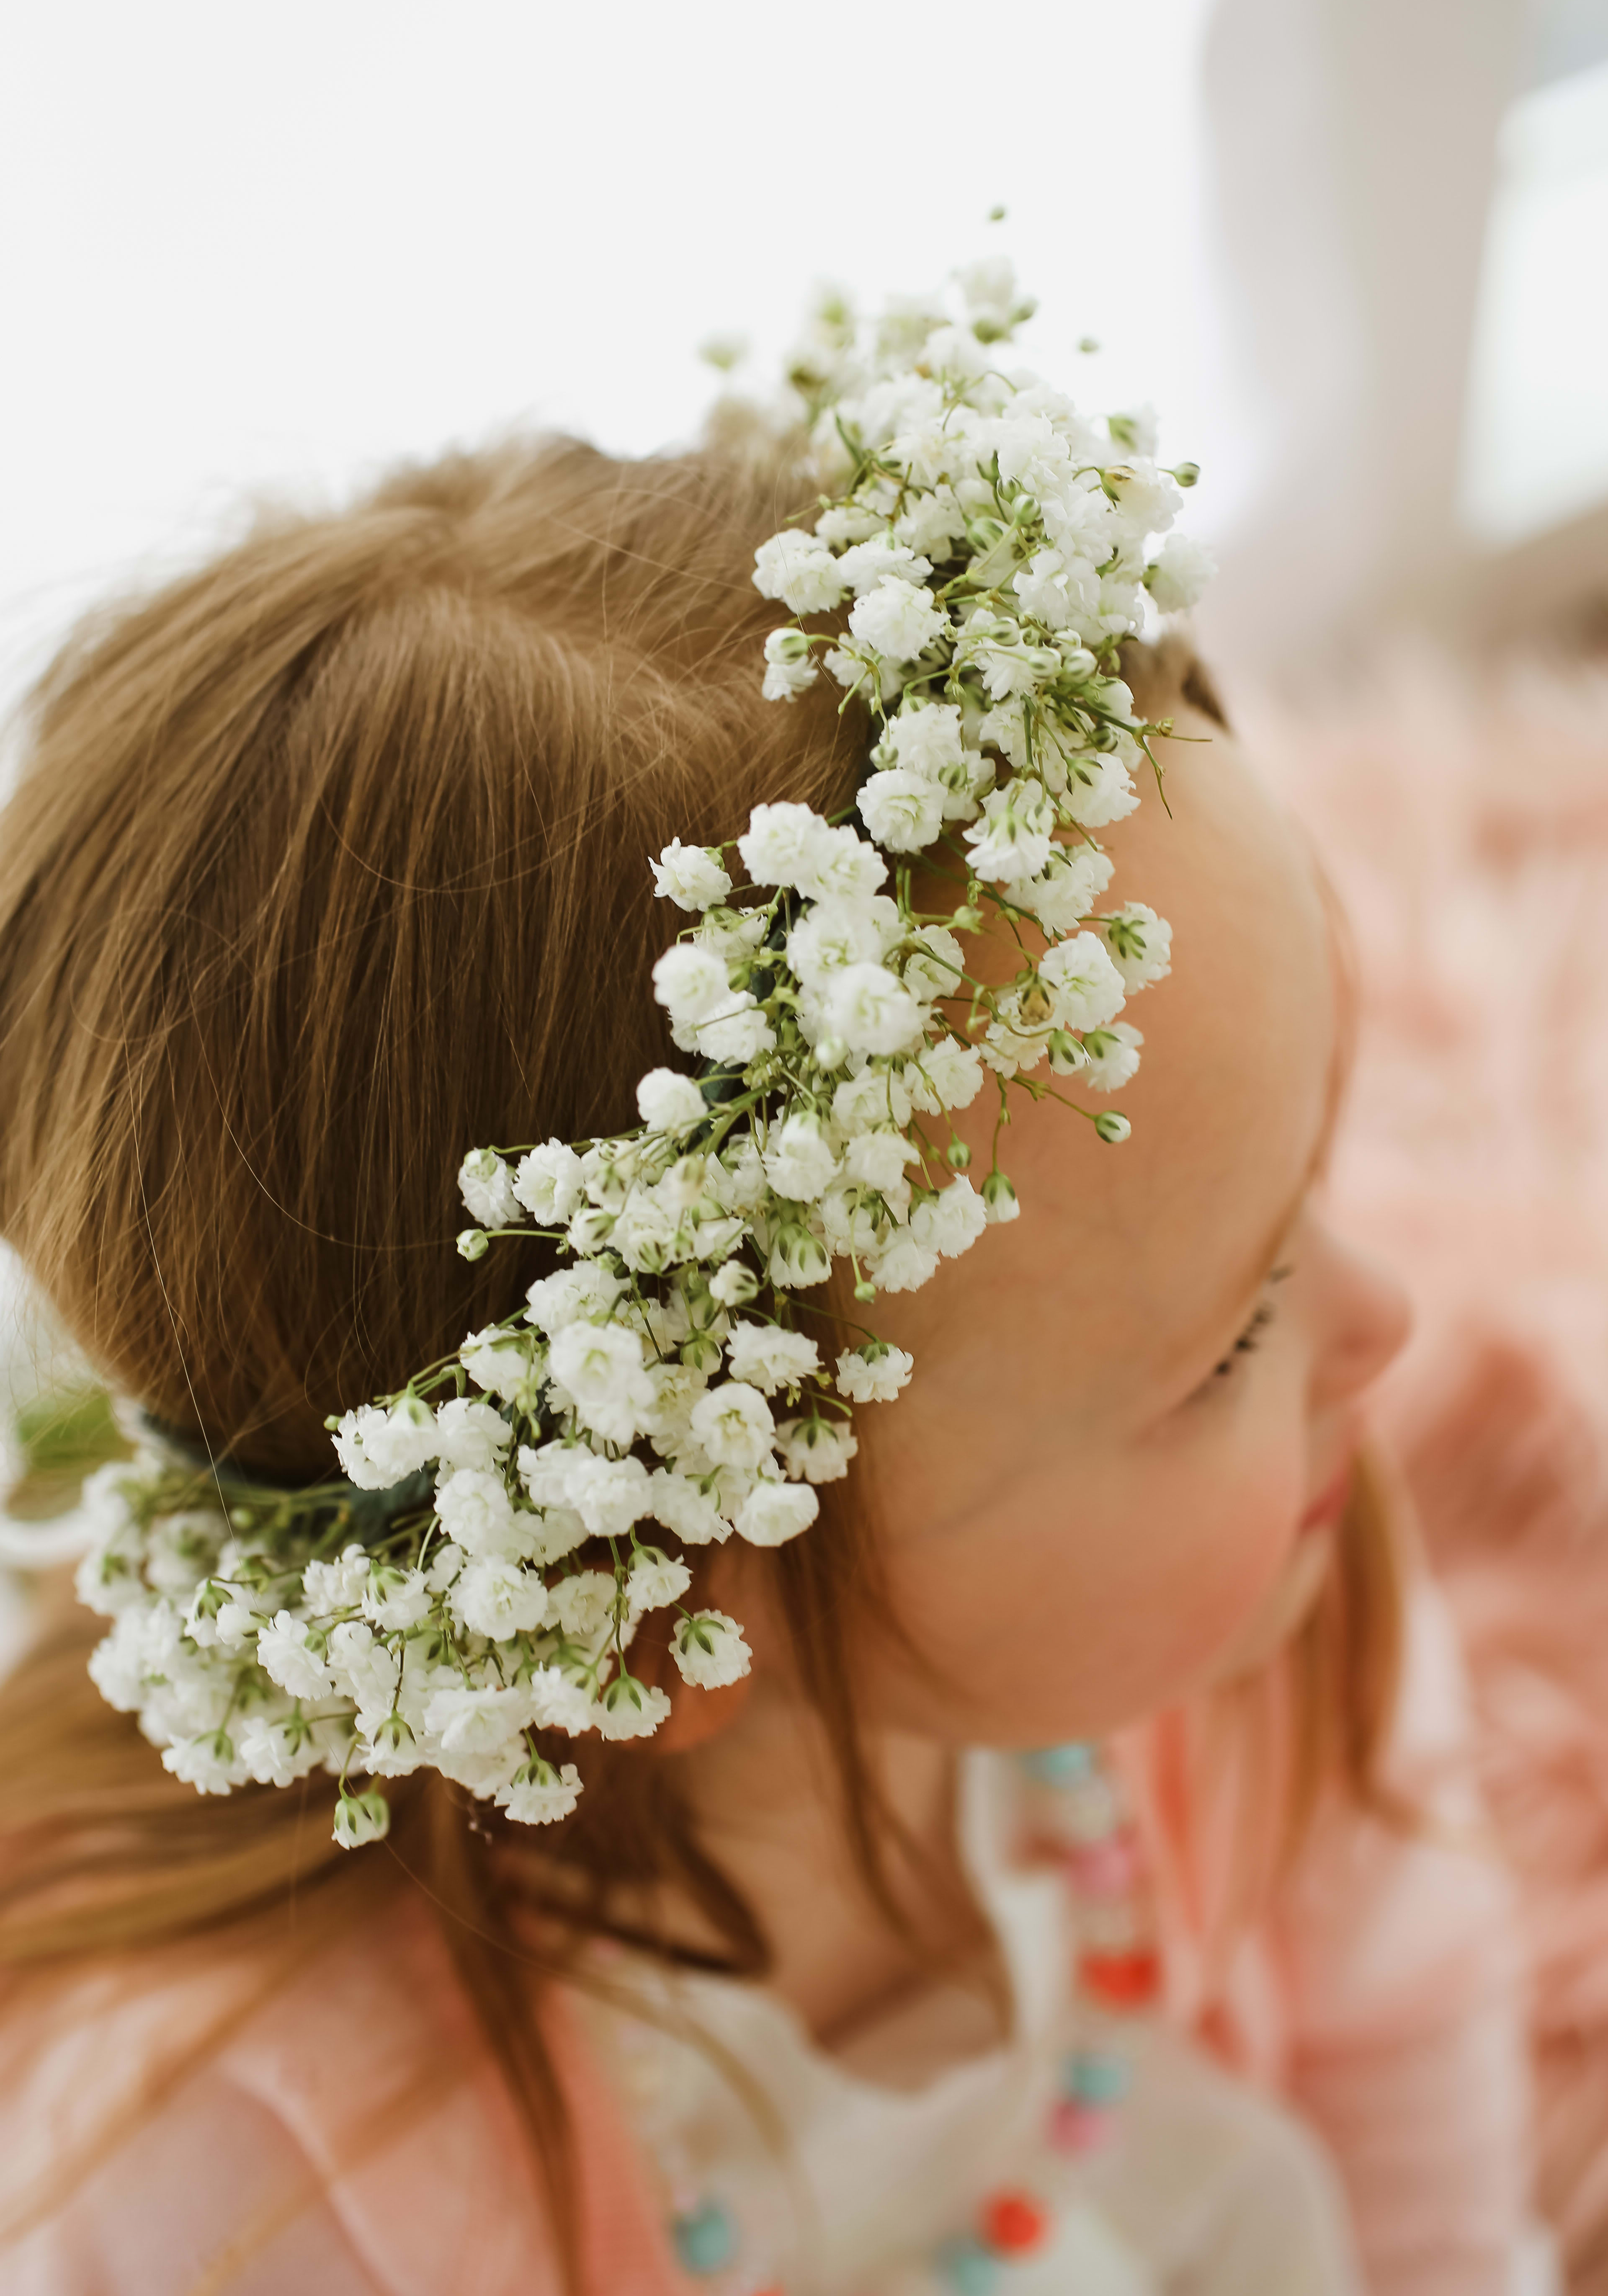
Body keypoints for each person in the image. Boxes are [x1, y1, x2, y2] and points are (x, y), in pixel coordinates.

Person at [0, 289, 1545, 2294]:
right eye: (1230, 1339)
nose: (1388, 1331)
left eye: (1309, 1186)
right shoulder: (273, 2172)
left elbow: (1420, 2138)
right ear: (688, 1599)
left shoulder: (1264, 1613)